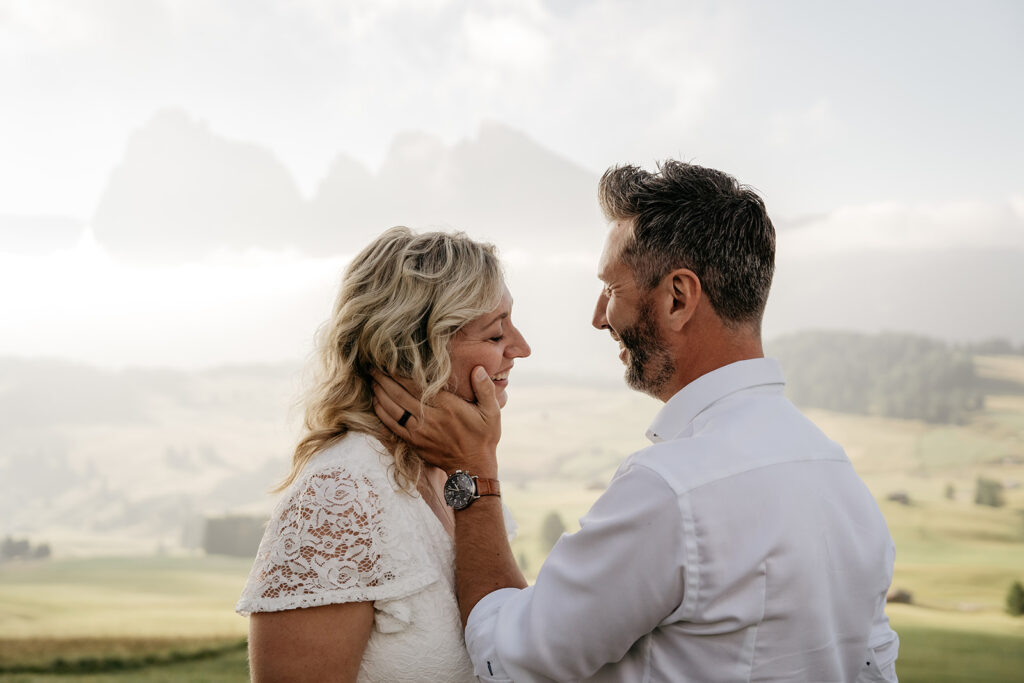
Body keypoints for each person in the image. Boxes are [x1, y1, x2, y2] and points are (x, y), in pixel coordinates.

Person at [373, 161, 900, 682]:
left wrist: (474, 476)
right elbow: (875, 668)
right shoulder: (836, 473)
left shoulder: (673, 491)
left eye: (614, 288)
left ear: (677, 298)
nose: (600, 315)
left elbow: (507, 661)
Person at [236, 226, 531, 682]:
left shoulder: (454, 477)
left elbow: (514, 657)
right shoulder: (339, 496)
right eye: (495, 336)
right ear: (415, 349)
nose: (521, 349)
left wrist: (477, 467)